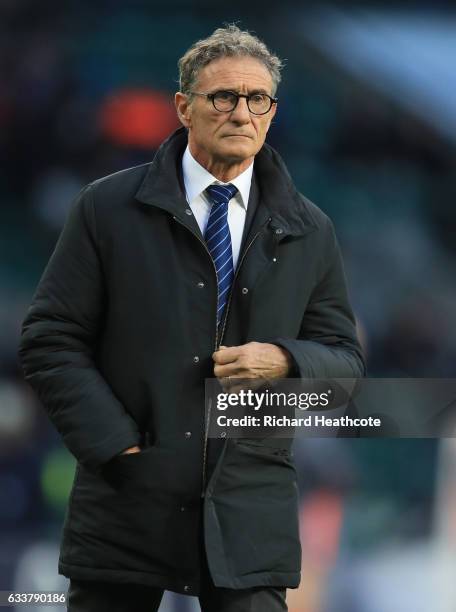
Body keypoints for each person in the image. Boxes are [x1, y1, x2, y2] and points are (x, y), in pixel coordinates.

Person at [18, 24, 365, 612]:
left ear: (273, 113)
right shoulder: (106, 208)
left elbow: (345, 364)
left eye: (258, 99)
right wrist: (118, 449)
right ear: (183, 107)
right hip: (126, 505)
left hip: (249, 510)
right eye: (223, 96)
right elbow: (51, 340)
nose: (241, 112)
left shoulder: (311, 228)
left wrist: (286, 360)